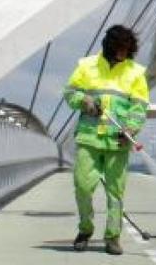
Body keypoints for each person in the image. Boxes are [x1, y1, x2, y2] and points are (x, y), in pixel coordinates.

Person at [63, 25, 149, 255]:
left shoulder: (136, 73)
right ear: (110, 47)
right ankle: (85, 229)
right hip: (89, 139)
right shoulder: (86, 66)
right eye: (120, 48)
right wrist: (86, 102)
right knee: (82, 186)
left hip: (118, 142)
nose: (123, 53)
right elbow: (70, 93)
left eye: (127, 49)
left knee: (115, 192)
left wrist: (131, 128)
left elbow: (139, 107)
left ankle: (112, 237)